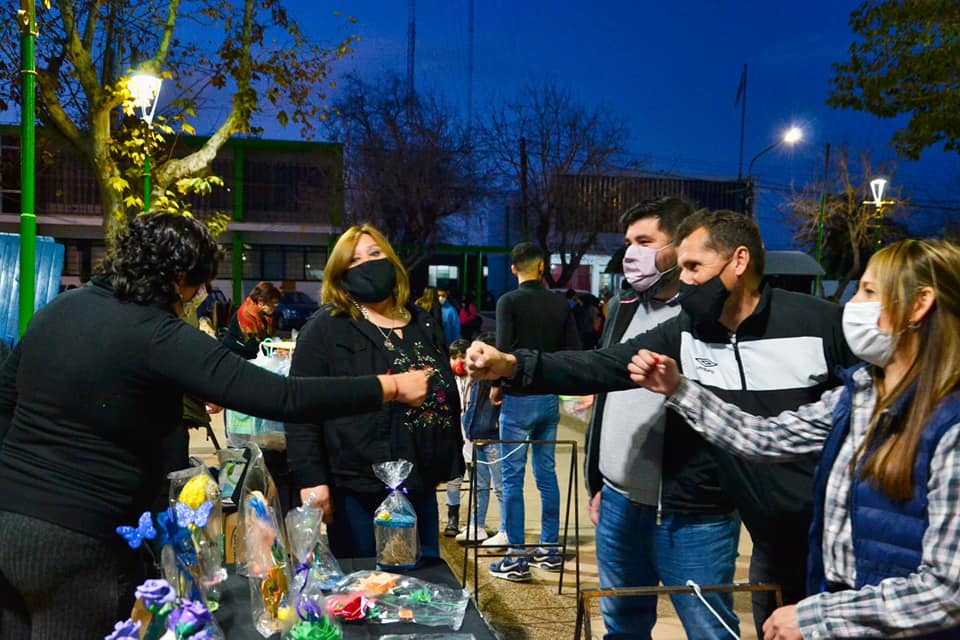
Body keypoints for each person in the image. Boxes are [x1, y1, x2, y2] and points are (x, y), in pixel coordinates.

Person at [0, 213, 429, 639]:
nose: (197, 297)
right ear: (178, 278)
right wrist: (389, 386)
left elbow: (5, 399)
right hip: (77, 544)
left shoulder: (59, 309)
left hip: (8, 523)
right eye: (197, 286)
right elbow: (282, 395)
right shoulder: (157, 333)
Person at [468, 210, 856, 632]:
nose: (685, 280)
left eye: (695, 267)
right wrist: (512, 365)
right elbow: (602, 365)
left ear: (739, 261)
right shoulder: (687, 330)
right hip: (768, 540)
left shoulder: (820, 324)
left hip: (826, 533)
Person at [629, 238, 960, 639]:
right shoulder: (858, 396)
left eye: (869, 291)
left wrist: (817, 616)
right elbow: (764, 438)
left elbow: (947, 591)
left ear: (920, 304)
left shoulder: (950, 425)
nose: (853, 305)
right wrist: (679, 390)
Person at [585, 197, 741, 639]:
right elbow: (606, 381)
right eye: (628, 242)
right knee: (622, 627)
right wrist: (601, 480)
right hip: (618, 506)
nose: (630, 253)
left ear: (679, 247)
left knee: (709, 630)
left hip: (689, 517)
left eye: (644, 241)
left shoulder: (711, 319)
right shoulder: (624, 306)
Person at [285, 224, 464, 561]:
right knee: (366, 584)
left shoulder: (421, 322)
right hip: (357, 490)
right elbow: (301, 409)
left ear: (391, 261)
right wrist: (311, 479)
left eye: (375, 253)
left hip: (420, 485)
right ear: (339, 273)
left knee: (421, 581)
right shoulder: (327, 328)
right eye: (354, 260)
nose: (367, 263)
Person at [489, 241, 580, 582]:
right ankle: (549, 548)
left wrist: (497, 385)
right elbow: (573, 350)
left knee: (512, 477)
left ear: (514, 268)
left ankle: (516, 557)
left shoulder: (508, 302)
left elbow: (502, 350)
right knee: (546, 473)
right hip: (548, 396)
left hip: (518, 397)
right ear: (542, 268)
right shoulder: (560, 304)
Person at [456, 331, 507, 546]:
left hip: (493, 439)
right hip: (476, 436)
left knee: (501, 487)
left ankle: (506, 530)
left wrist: (497, 423)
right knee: (479, 486)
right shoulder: (478, 377)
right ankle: (477, 525)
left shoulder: (500, 378)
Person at [444, 338, 472, 536]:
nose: (458, 361)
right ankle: (452, 517)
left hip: (472, 436)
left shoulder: (477, 379)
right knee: (454, 478)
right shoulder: (446, 380)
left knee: (478, 480)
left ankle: (476, 521)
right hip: (453, 437)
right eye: (454, 357)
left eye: (462, 357)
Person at [222, 281, 282, 359]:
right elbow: (252, 343)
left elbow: (266, 337)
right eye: (273, 303)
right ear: (261, 301)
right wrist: (275, 350)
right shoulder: (246, 314)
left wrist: (275, 350)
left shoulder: (263, 313)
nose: (275, 306)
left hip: (247, 353)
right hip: (235, 354)